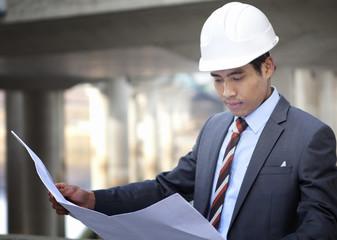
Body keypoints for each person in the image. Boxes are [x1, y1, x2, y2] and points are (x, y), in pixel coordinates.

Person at [49, 2, 337, 239]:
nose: (227, 92)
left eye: (237, 77)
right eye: (218, 80)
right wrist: (93, 200)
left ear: (267, 67)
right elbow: (166, 189)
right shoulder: (214, 128)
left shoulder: (310, 136)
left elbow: (322, 225)